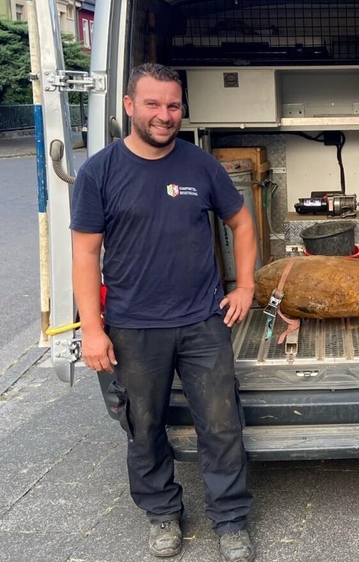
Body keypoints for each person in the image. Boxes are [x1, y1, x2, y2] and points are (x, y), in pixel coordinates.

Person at [70, 63, 258, 562]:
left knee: (221, 424)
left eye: (173, 105)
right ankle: (162, 513)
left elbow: (241, 223)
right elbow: (85, 254)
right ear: (129, 105)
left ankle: (230, 521)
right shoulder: (99, 172)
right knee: (144, 426)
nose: (164, 114)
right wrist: (93, 329)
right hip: (132, 326)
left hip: (202, 321)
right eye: (152, 104)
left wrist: (245, 286)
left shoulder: (201, 166)